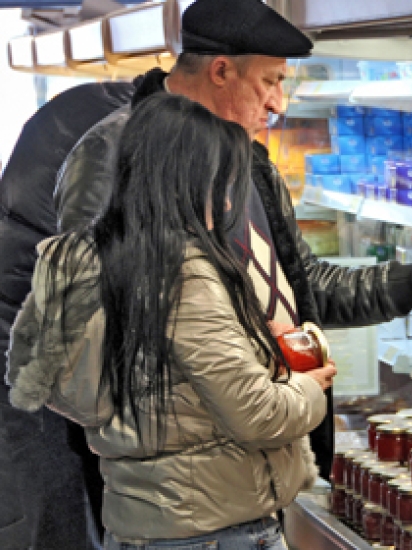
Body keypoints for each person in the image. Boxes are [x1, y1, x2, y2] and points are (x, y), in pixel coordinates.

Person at [53, 0, 412, 486]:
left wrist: (410, 283)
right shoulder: (113, 156)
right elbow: (88, 335)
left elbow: (300, 284)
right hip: (183, 488)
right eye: (269, 81)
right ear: (221, 71)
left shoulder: (249, 161)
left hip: (259, 463)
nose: (278, 104)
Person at [8, 92, 336, 548]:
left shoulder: (92, 259)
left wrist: (251, 340)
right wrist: (310, 388)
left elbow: (93, 392)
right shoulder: (183, 273)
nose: (227, 203)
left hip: (136, 524)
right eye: (222, 181)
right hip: (213, 528)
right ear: (186, 178)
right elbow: (259, 415)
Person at [0, 80, 135, 549]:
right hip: (30, 379)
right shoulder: (111, 132)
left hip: (21, 351)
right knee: (53, 521)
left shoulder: (83, 104)